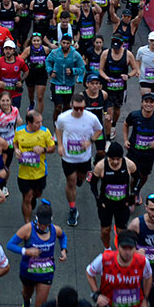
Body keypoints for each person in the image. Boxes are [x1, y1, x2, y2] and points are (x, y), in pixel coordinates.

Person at [7, 200, 67, 307]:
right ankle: (26, 303)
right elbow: (10, 245)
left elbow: (63, 236)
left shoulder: (55, 229)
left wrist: (64, 249)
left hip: (46, 273)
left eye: (46, 224)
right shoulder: (27, 229)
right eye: (41, 223)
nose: (43, 226)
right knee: (27, 294)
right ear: (36, 218)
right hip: (28, 272)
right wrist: (26, 251)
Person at [85, 229, 151, 307]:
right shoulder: (104, 259)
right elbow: (89, 273)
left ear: (136, 247)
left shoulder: (142, 262)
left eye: (131, 248)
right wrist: (97, 294)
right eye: (124, 248)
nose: (127, 252)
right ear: (118, 246)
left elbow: (148, 276)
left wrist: (145, 300)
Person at [54, 93, 103, 227]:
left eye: (81, 108)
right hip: (68, 157)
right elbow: (58, 129)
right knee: (71, 182)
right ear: (71, 106)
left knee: (80, 180)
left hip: (84, 158)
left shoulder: (91, 118)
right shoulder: (63, 117)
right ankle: (72, 209)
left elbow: (99, 130)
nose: (79, 111)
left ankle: (81, 179)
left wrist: (90, 141)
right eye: (76, 108)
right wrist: (59, 145)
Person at [90, 142, 137, 249]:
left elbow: (138, 178)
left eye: (118, 159)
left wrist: (133, 194)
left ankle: (119, 247)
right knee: (105, 231)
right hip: (106, 205)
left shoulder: (129, 164)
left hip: (122, 205)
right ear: (108, 157)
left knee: (122, 233)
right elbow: (93, 184)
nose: (115, 162)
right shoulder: (101, 166)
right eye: (112, 159)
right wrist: (97, 198)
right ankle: (107, 249)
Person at [13, 110, 56, 222]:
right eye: (37, 122)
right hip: (24, 173)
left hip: (40, 172)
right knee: (26, 198)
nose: (40, 124)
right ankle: (27, 224)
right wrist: (16, 150)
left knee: (37, 193)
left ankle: (34, 199)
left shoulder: (45, 132)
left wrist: (43, 149)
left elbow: (52, 148)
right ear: (29, 122)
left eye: (41, 122)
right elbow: (15, 142)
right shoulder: (19, 131)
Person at [125, 93, 154, 204]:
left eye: (151, 102)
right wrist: (125, 139)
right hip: (134, 151)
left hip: (149, 154)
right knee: (132, 174)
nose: (148, 104)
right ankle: (131, 191)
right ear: (142, 103)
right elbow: (125, 124)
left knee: (144, 176)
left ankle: (137, 190)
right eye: (146, 102)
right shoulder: (134, 115)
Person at [45, 34, 85, 122]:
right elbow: (47, 61)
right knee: (58, 107)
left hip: (69, 84)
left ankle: (64, 124)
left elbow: (82, 68)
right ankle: (56, 125)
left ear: (71, 44)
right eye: (63, 43)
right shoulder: (55, 52)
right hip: (56, 83)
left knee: (67, 106)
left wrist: (72, 71)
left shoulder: (75, 54)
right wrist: (50, 71)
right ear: (60, 43)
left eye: (67, 43)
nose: (65, 45)